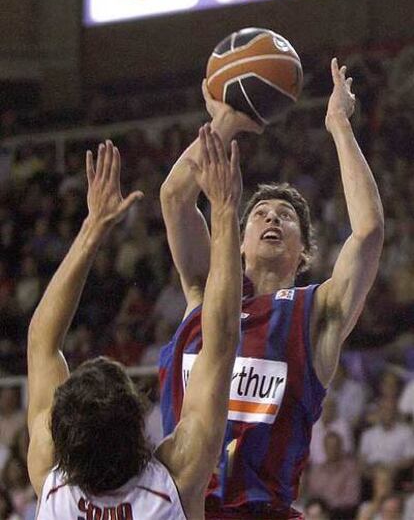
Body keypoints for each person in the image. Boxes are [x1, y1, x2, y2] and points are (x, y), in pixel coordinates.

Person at [159, 58, 384, 519]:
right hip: (175, 508)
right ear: (238, 242)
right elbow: (175, 199)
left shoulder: (315, 311)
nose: (272, 218)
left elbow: (368, 232)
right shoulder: (203, 296)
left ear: (304, 253)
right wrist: (226, 120)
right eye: (260, 213)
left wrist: (340, 125)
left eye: (286, 216)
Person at [27, 136, 243, 519]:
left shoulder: (51, 481)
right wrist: (225, 211)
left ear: (60, 436)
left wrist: (92, 228)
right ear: (140, 423)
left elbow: (41, 343)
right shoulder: (175, 479)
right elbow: (222, 339)